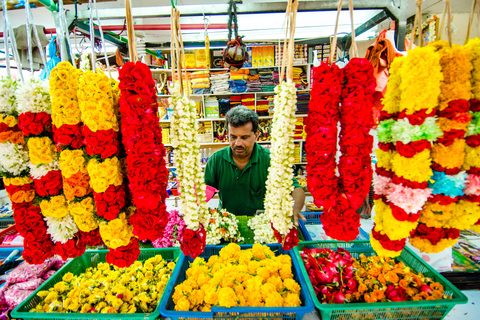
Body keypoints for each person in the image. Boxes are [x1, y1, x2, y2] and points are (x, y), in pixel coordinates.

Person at [204, 106, 306, 226]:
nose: (238, 143)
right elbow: (204, 192)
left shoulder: (271, 159)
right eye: (233, 137)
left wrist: (295, 208)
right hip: (226, 226)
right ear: (227, 134)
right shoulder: (216, 160)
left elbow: (296, 189)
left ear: (256, 135)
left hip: (262, 227)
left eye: (244, 137)